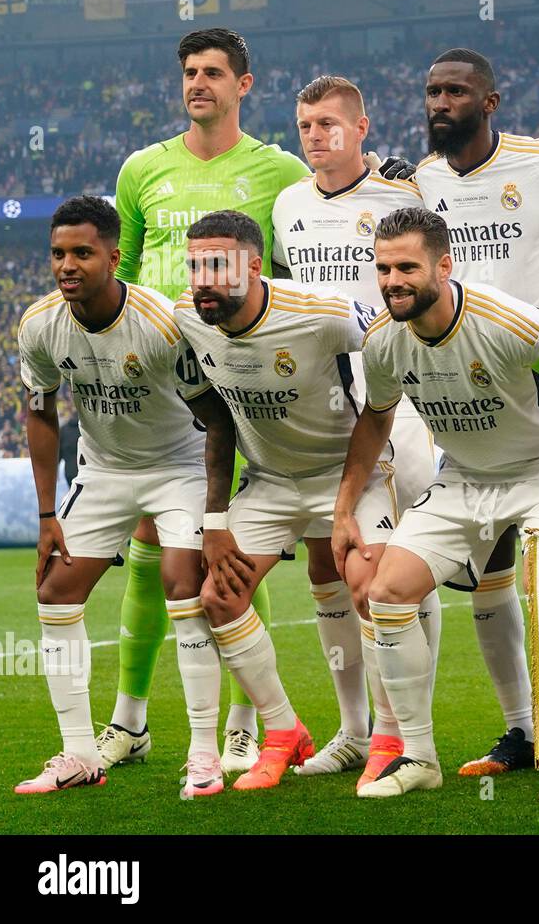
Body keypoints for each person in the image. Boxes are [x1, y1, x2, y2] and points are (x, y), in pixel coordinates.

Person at [332, 206, 539, 801]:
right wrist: (343, 507)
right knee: (387, 594)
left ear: (444, 265)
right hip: (464, 476)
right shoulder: (384, 340)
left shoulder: (510, 323)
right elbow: (375, 419)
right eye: (383, 269)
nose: (392, 281)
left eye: (407, 267)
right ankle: (418, 757)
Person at [108, 28, 309, 774]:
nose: (198, 83)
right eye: (190, 72)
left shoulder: (280, 169)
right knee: (151, 543)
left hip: (237, 381)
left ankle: (242, 726)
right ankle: (129, 722)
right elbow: (124, 271)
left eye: (214, 73)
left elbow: (299, 261)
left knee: (226, 558)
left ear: (243, 85)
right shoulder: (141, 169)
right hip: (155, 384)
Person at [173, 210, 415, 792]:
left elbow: (400, 338)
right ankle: (283, 732)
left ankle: (388, 737)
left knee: (369, 587)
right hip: (271, 481)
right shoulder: (187, 319)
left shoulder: (323, 313)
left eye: (216, 265)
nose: (202, 280)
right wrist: (212, 520)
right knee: (218, 596)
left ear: (254, 267)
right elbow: (211, 420)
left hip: (347, 474)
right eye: (194, 265)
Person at [409, 48, 539, 777]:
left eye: (454, 90)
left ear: (490, 101)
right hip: (468, 405)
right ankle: (520, 732)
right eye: (431, 91)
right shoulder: (421, 179)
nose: (439, 102)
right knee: (488, 579)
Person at [15, 196, 234, 798]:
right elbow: (39, 412)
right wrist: (44, 515)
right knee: (55, 589)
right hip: (105, 469)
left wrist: (214, 513)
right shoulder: (39, 326)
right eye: (58, 253)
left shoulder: (162, 324)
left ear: (114, 257)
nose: (68, 265)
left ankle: (204, 754)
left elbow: (217, 420)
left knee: (180, 582)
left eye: (82, 253)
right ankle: (80, 754)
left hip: (179, 467)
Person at [270, 74, 433, 782]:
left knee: (406, 572)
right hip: (322, 409)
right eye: (306, 124)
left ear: (362, 128)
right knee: (333, 566)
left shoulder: (403, 197)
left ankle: (405, 735)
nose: (315, 135)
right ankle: (356, 729)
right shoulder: (287, 206)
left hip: (409, 402)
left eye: (330, 123)